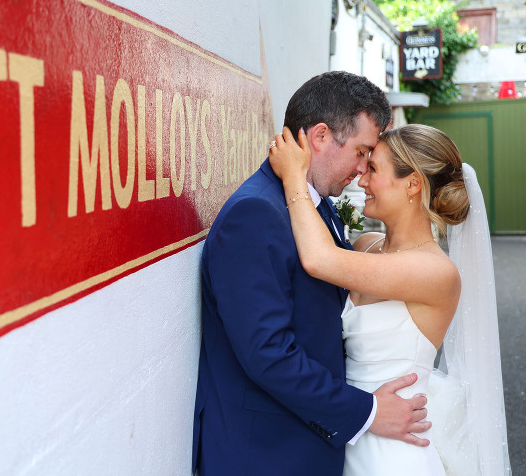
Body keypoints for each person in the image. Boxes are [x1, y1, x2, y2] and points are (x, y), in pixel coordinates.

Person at [191, 71, 430, 476]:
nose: (362, 169)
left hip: (304, 445)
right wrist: (369, 412)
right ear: (320, 136)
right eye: (361, 152)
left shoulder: (315, 206)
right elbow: (269, 356)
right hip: (265, 454)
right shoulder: (255, 214)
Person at [267, 123, 511, 475]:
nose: (361, 180)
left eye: (373, 169)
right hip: (346, 433)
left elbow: (319, 260)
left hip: (394, 454)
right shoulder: (366, 246)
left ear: (412, 184)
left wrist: (294, 176)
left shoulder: (435, 273)